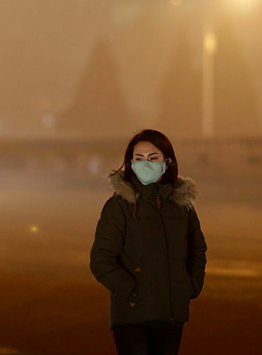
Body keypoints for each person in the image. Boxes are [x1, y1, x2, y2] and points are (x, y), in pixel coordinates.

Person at [90, 129, 207, 355]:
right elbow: (101, 259)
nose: (146, 164)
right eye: (139, 159)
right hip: (132, 316)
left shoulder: (183, 208)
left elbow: (197, 250)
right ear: (130, 163)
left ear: (167, 162)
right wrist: (133, 292)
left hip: (171, 315)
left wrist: (190, 286)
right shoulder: (120, 206)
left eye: (153, 158)